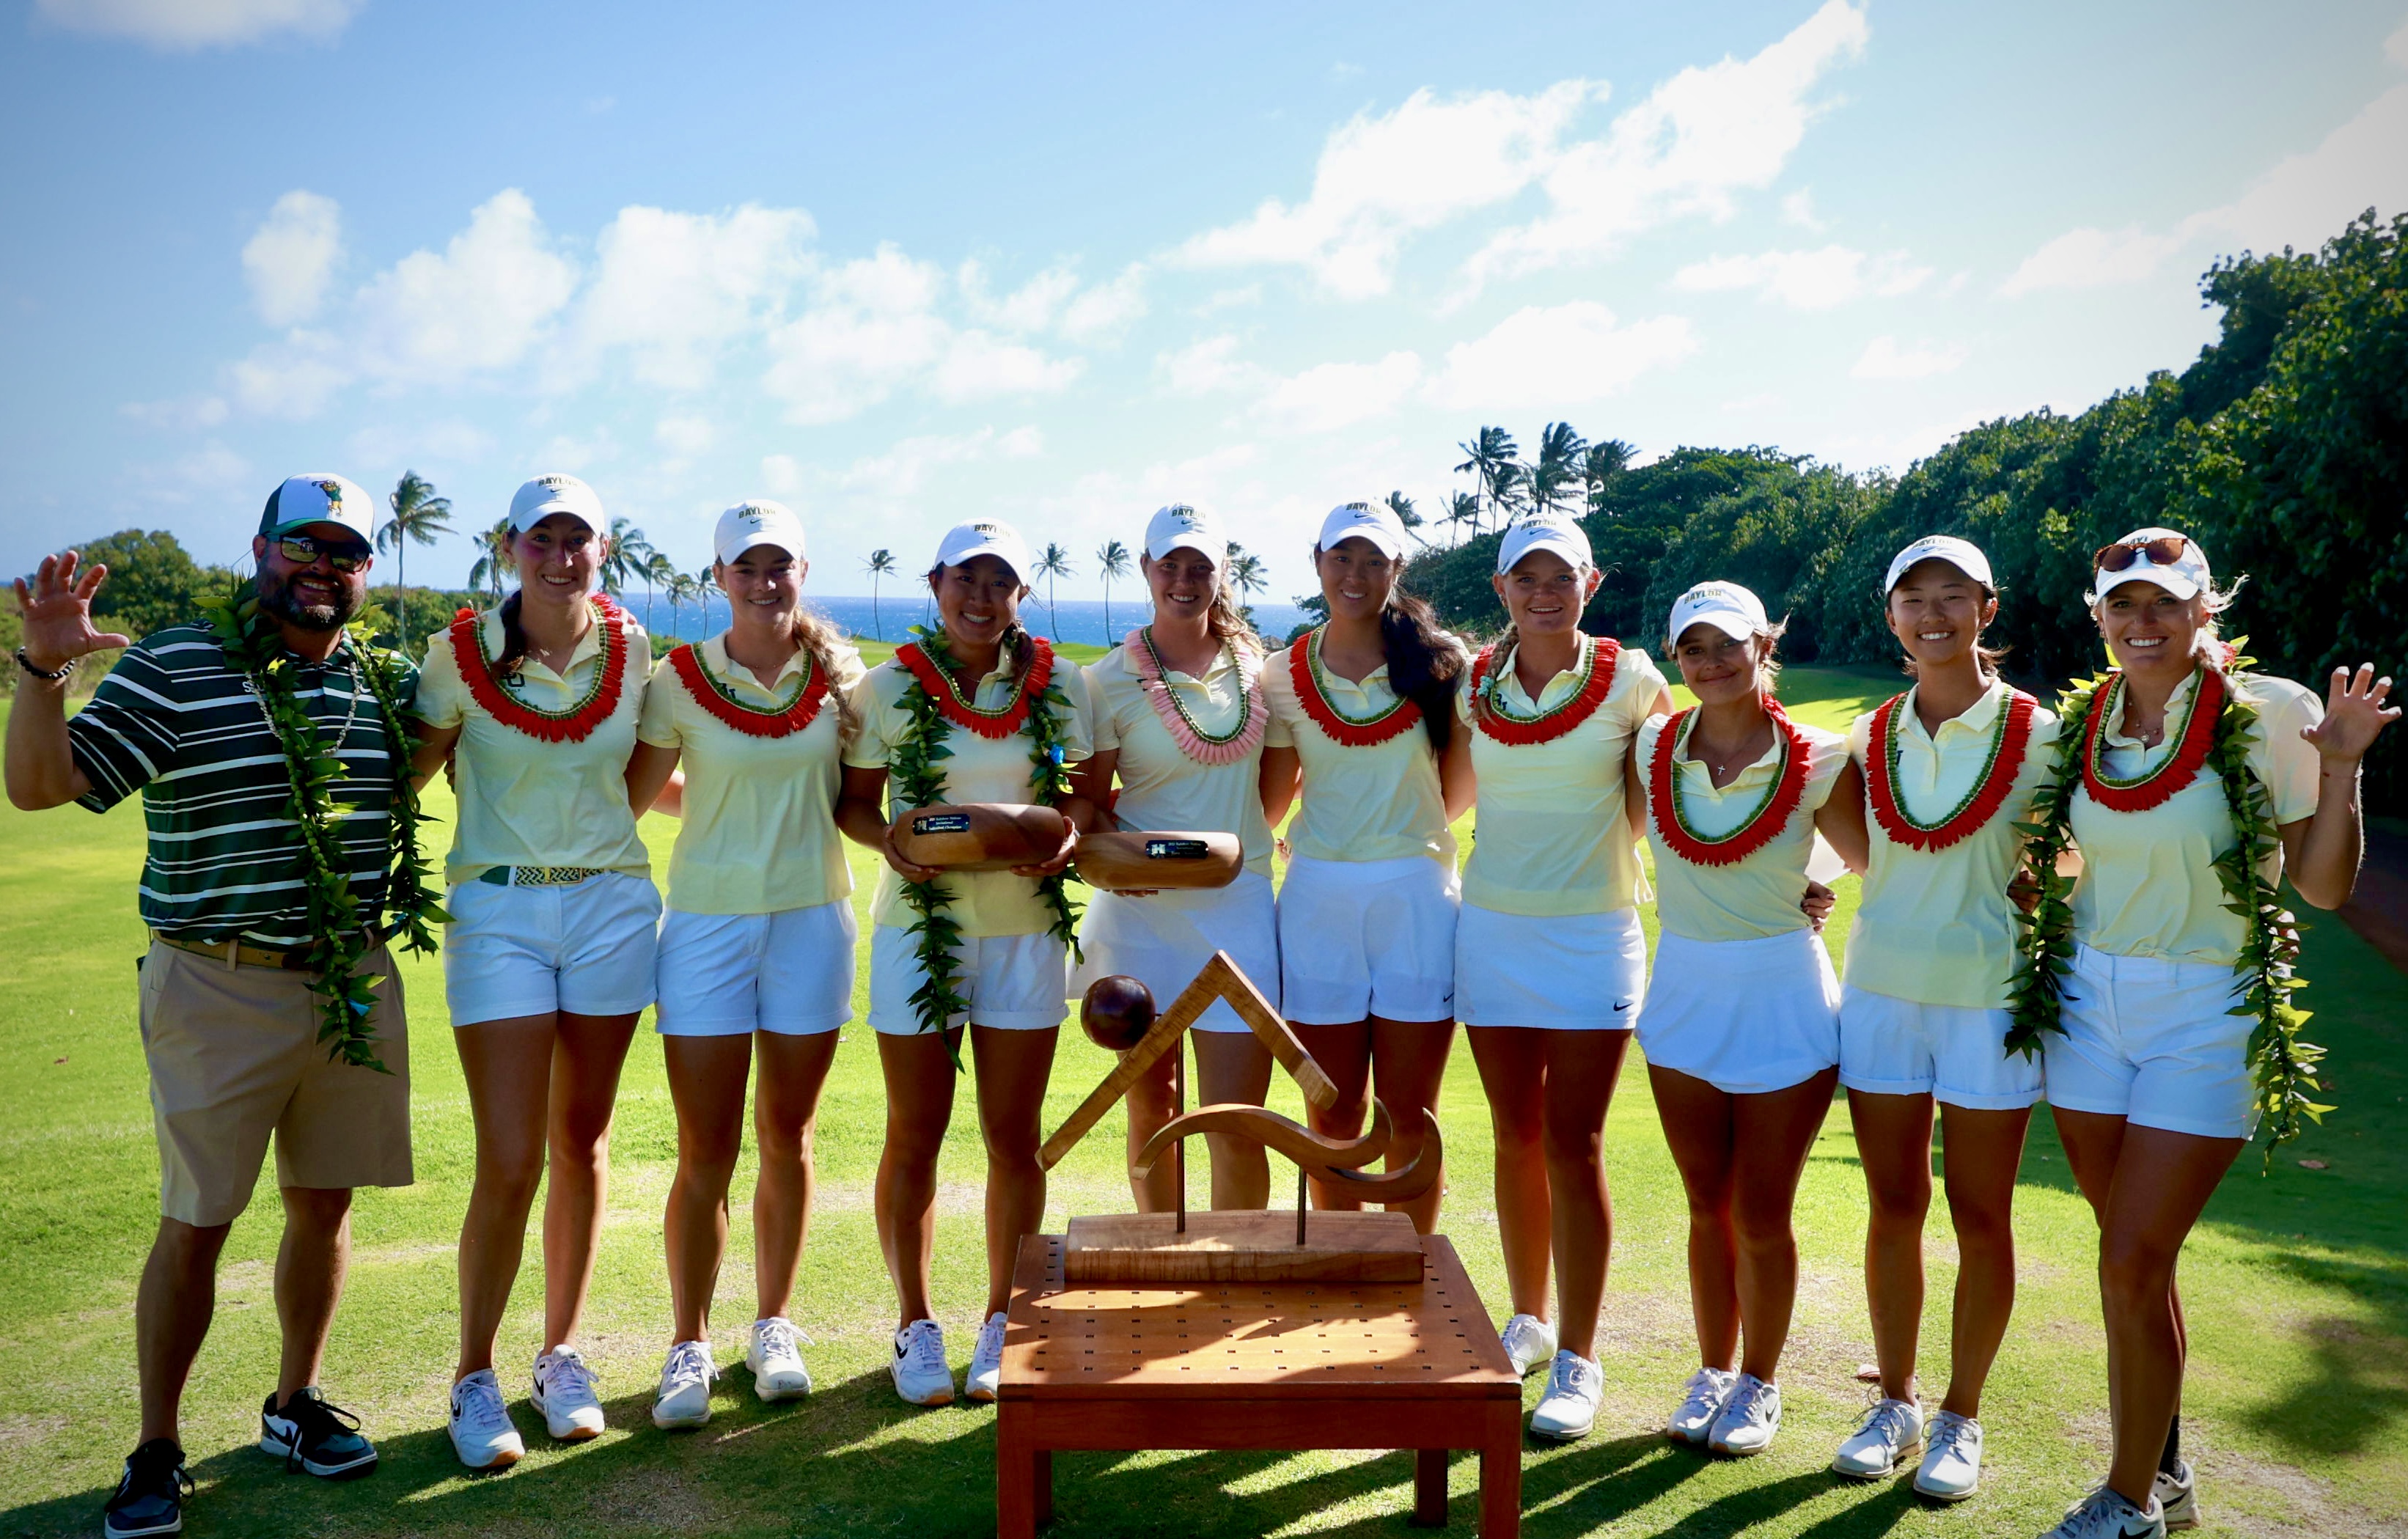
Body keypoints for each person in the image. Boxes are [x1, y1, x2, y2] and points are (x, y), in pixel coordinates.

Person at [7, 476, 435, 1538]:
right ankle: (156, 1445)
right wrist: (45, 669)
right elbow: (41, 784)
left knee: (326, 1201)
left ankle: (295, 1401)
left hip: (348, 977)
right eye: (303, 544)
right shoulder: (178, 663)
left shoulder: (379, 678)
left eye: (346, 550)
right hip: (215, 978)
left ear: (366, 568)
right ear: (259, 548)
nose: (323, 566)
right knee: (197, 1220)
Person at [2020, 531, 2393, 1539]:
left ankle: (2127, 1500)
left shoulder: (2270, 710)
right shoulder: (2085, 720)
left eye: (2164, 602)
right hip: (2089, 1006)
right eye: (2122, 605)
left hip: (2206, 1009)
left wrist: (2341, 768)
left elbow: (2322, 886)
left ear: (2204, 608)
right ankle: (2166, 1470)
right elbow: (2076, 853)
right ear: (2098, 616)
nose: (2142, 622)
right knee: (2131, 1256)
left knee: (2131, 1258)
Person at [407, 474, 658, 1469]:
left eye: (577, 539)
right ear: (510, 546)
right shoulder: (458, 652)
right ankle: (473, 1373)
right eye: (541, 539)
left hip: (610, 908)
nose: (560, 556)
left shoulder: (634, 649)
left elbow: (639, 774)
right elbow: (408, 772)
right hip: (499, 914)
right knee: (511, 1157)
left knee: (582, 1141)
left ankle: (561, 1355)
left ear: (604, 548)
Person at [834, 518, 1098, 1408]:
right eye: (965, 579)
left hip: (1025, 931)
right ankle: (914, 1323)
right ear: (935, 583)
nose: (980, 598)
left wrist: (1067, 838)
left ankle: (1001, 1320)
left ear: (1021, 595)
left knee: (1013, 1137)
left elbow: (1085, 797)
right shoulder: (886, 687)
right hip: (919, 930)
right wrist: (891, 844)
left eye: (999, 583)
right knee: (915, 1130)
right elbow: (856, 803)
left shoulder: (1060, 684)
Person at [1824, 536, 2062, 1499]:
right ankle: (1896, 1402)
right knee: (1892, 1205)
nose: (1932, 614)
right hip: (1882, 992)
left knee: (1979, 1213)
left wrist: (2027, 884)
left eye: (1952, 595)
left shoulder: (2040, 731)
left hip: (1988, 1002)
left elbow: (2074, 849)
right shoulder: (1868, 733)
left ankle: (1962, 1415)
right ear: (1890, 615)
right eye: (1913, 598)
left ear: (1985, 608)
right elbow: (1848, 842)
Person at [625, 501, 865, 1428]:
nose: (765, 581)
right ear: (718, 576)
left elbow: (861, 792)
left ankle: (773, 1325)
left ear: (802, 570)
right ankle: (687, 1341)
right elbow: (639, 788)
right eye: (746, 566)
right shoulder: (678, 678)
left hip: (812, 921)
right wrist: (718, 803)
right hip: (706, 928)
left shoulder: (842, 676)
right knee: (706, 1148)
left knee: (788, 1135)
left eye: (779, 565)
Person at [1442, 514, 1672, 1441]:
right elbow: (1449, 793)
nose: (1544, 593)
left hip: (1590, 934)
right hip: (1492, 931)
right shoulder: (1473, 684)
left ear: (1591, 581)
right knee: (1515, 1133)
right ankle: (1528, 1318)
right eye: (1526, 578)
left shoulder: (1633, 678)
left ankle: (1578, 1354)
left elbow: (1664, 801)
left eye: (1561, 576)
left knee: (1574, 1142)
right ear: (1500, 588)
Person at [1628, 579, 1865, 1460]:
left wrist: (1817, 883)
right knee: (1705, 1205)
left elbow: (1870, 857)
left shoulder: (1820, 753)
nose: (1711, 662)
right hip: (1684, 992)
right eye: (1692, 649)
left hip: (1780, 996)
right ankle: (1711, 1370)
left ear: (1763, 644)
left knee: (1761, 1213)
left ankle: (1759, 1381)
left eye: (1728, 643)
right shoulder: (1653, 744)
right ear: (1676, 659)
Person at [1260, 501, 1470, 1235]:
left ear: (1396, 568)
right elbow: (1272, 799)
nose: (1355, 574)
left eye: (1374, 560)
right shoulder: (1281, 673)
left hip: (1417, 898)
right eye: (1341, 557)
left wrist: (1397, 836)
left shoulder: (1442, 659)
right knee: (1333, 1111)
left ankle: (1409, 1269)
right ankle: (1340, 1266)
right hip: (1317, 902)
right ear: (1317, 562)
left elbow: (1457, 787)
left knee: (1411, 1113)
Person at [1071, 504, 1286, 1211]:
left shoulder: (1260, 671)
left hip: (1238, 906)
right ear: (1146, 569)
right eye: (1170, 565)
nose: (1184, 580)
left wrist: (1229, 850)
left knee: (1236, 1122)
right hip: (1140, 914)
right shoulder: (1106, 680)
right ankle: (1160, 1262)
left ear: (1223, 574)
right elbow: (1089, 802)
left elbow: (1274, 788)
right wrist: (1121, 863)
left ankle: (1231, 1267)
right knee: (1152, 1109)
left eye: (1200, 566)